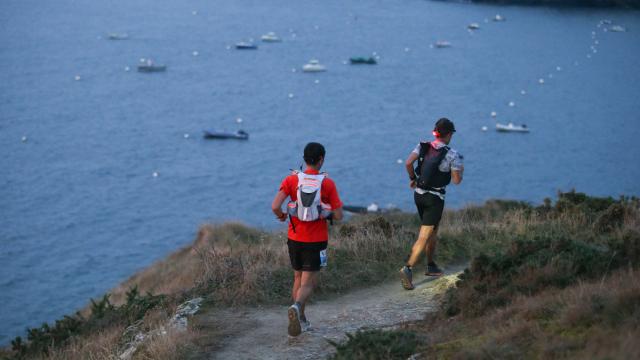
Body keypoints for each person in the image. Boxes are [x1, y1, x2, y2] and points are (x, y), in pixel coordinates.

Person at [271, 142, 343, 336]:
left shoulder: (292, 180)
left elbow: (275, 205)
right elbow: (338, 215)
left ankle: (301, 319)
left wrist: (282, 216)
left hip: (294, 238)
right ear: (321, 160)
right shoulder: (327, 183)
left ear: (304, 158)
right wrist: (325, 212)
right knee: (309, 283)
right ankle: (296, 308)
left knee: (297, 277)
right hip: (316, 240)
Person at [399, 118, 464, 290]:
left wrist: (413, 178)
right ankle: (408, 268)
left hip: (419, 195)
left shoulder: (423, 146)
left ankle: (431, 266)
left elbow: (408, 163)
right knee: (424, 235)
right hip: (434, 199)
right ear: (449, 134)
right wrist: (460, 170)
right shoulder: (452, 155)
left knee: (433, 231)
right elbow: (456, 181)